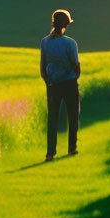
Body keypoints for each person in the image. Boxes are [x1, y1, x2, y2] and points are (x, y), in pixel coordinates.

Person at [40, 9, 80, 162]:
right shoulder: (70, 43)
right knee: (73, 116)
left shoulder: (45, 42)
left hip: (52, 84)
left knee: (53, 119)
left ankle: (50, 153)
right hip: (69, 83)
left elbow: (43, 67)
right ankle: (72, 148)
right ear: (66, 25)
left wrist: (48, 81)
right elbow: (77, 68)